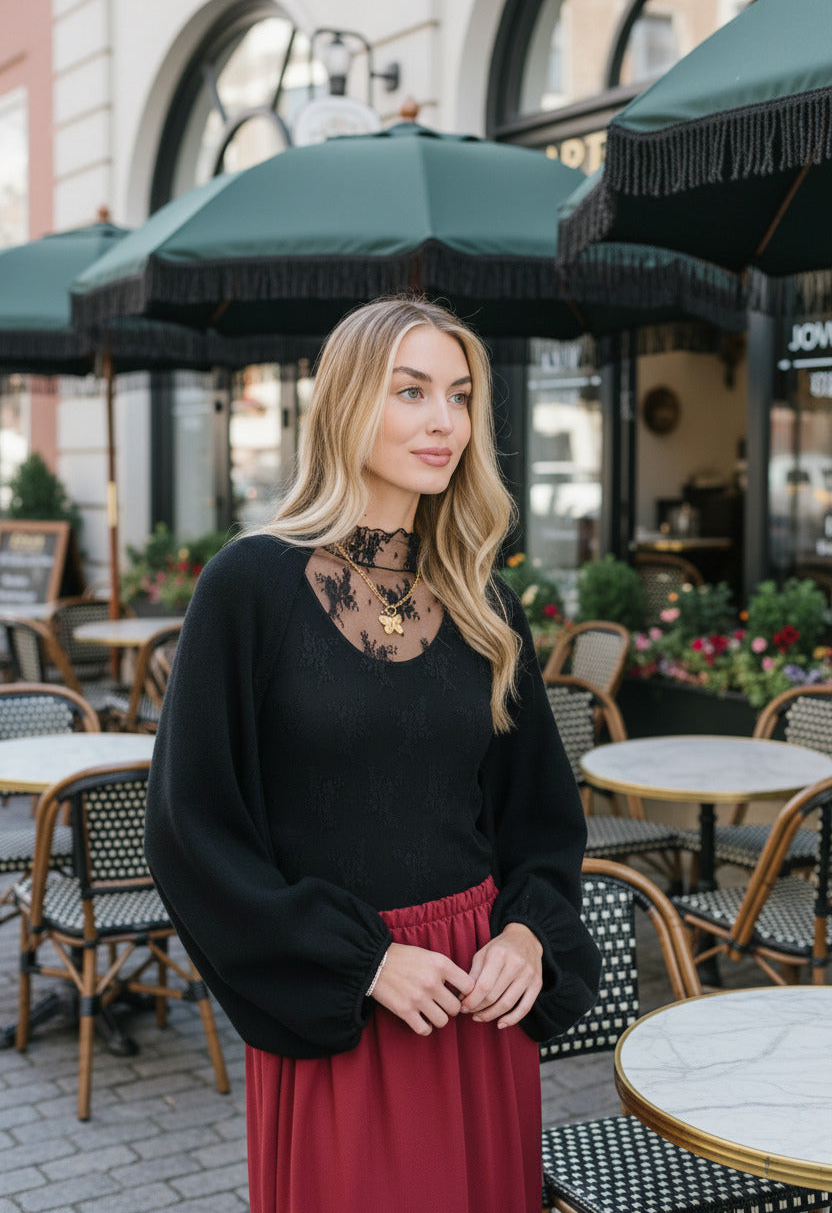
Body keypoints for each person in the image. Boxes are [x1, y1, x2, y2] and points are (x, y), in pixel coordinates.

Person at [145, 295, 601, 1213]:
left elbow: (538, 816)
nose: (444, 422)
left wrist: (525, 933)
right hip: (344, 1007)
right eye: (412, 391)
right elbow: (191, 829)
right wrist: (360, 962)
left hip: (474, 1000)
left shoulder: (483, 604)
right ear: (350, 404)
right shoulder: (249, 584)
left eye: (461, 395)